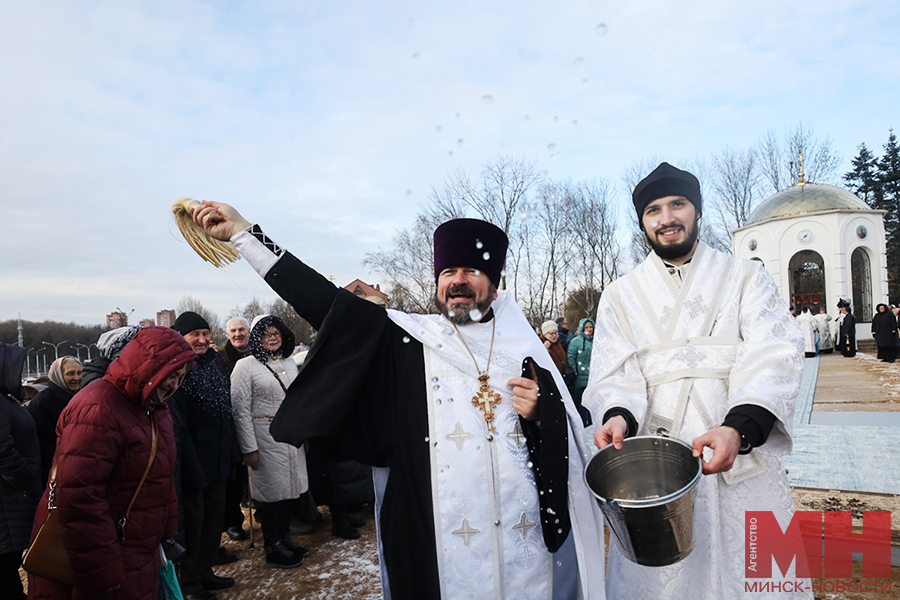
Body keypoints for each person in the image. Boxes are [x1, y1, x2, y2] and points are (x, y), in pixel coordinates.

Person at [189, 202, 606, 599]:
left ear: (494, 286)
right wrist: (245, 235)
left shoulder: (524, 349)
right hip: (435, 538)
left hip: (522, 541)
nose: (458, 280)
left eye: (472, 270)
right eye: (448, 271)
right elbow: (324, 302)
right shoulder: (408, 341)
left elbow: (564, 439)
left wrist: (540, 413)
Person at [585, 162, 809, 599]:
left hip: (744, 463)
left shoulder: (746, 276)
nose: (666, 218)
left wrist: (739, 427)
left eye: (677, 204)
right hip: (656, 476)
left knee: (761, 581)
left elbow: (774, 353)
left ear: (697, 210)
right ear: (642, 222)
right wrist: (616, 415)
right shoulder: (620, 295)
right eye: (653, 210)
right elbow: (614, 372)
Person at [27, 327, 196, 600]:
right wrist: (103, 570)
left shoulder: (154, 408)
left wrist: (167, 536)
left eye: (180, 377)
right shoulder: (97, 407)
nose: (174, 385)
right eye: (169, 375)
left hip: (137, 549)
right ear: (147, 366)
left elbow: (162, 481)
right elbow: (79, 499)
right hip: (99, 557)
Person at [230, 315, 310, 568]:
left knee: (289, 490)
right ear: (257, 338)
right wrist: (249, 448)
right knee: (272, 492)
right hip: (264, 436)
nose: (272, 339)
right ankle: (272, 545)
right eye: (266, 334)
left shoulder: (288, 362)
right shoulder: (246, 366)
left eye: (276, 334)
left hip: (289, 435)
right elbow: (239, 409)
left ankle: (284, 537)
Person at [169, 312, 239, 599]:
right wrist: (191, 465)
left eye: (205, 333)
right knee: (193, 525)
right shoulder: (177, 370)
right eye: (194, 334)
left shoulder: (213, 364)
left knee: (213, 521)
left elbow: (225, 411)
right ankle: (189, 583)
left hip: (218, 459)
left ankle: (205, 570)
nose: (202, 339)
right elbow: (179, 425)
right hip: (192, 464)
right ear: (180, 337)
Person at [0, 343, 41, 600]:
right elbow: (3, 453)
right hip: (8, 505)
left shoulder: (4, 401)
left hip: (11, 504)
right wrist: (28, 477)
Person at [217, 316, 252, 542]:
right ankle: (233, 521)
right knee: (233, 478)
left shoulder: (255, 354)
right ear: (227, 334)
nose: (238, 334)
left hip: (255, 420)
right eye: (233, 331)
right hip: (230, 424)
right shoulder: (219, 358)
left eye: (242, 330)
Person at [27, 356, 82, 485]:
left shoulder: (78, 397)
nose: (77, 378)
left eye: (79, 373)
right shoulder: (42, 403)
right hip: (52, 472)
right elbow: (43, 445)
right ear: (58, 375)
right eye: (70, 373)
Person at [566, 318, 595, 427]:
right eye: (586, 327)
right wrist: (574, 372)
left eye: (591, 327)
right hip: (580, 379)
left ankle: (593, 424)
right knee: (582, 404)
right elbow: (571, 357)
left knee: (593, 404)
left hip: (593, 378)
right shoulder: (575, 342)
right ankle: (584, 426)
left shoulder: (597, 341)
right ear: (582, 328)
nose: (589, 329)